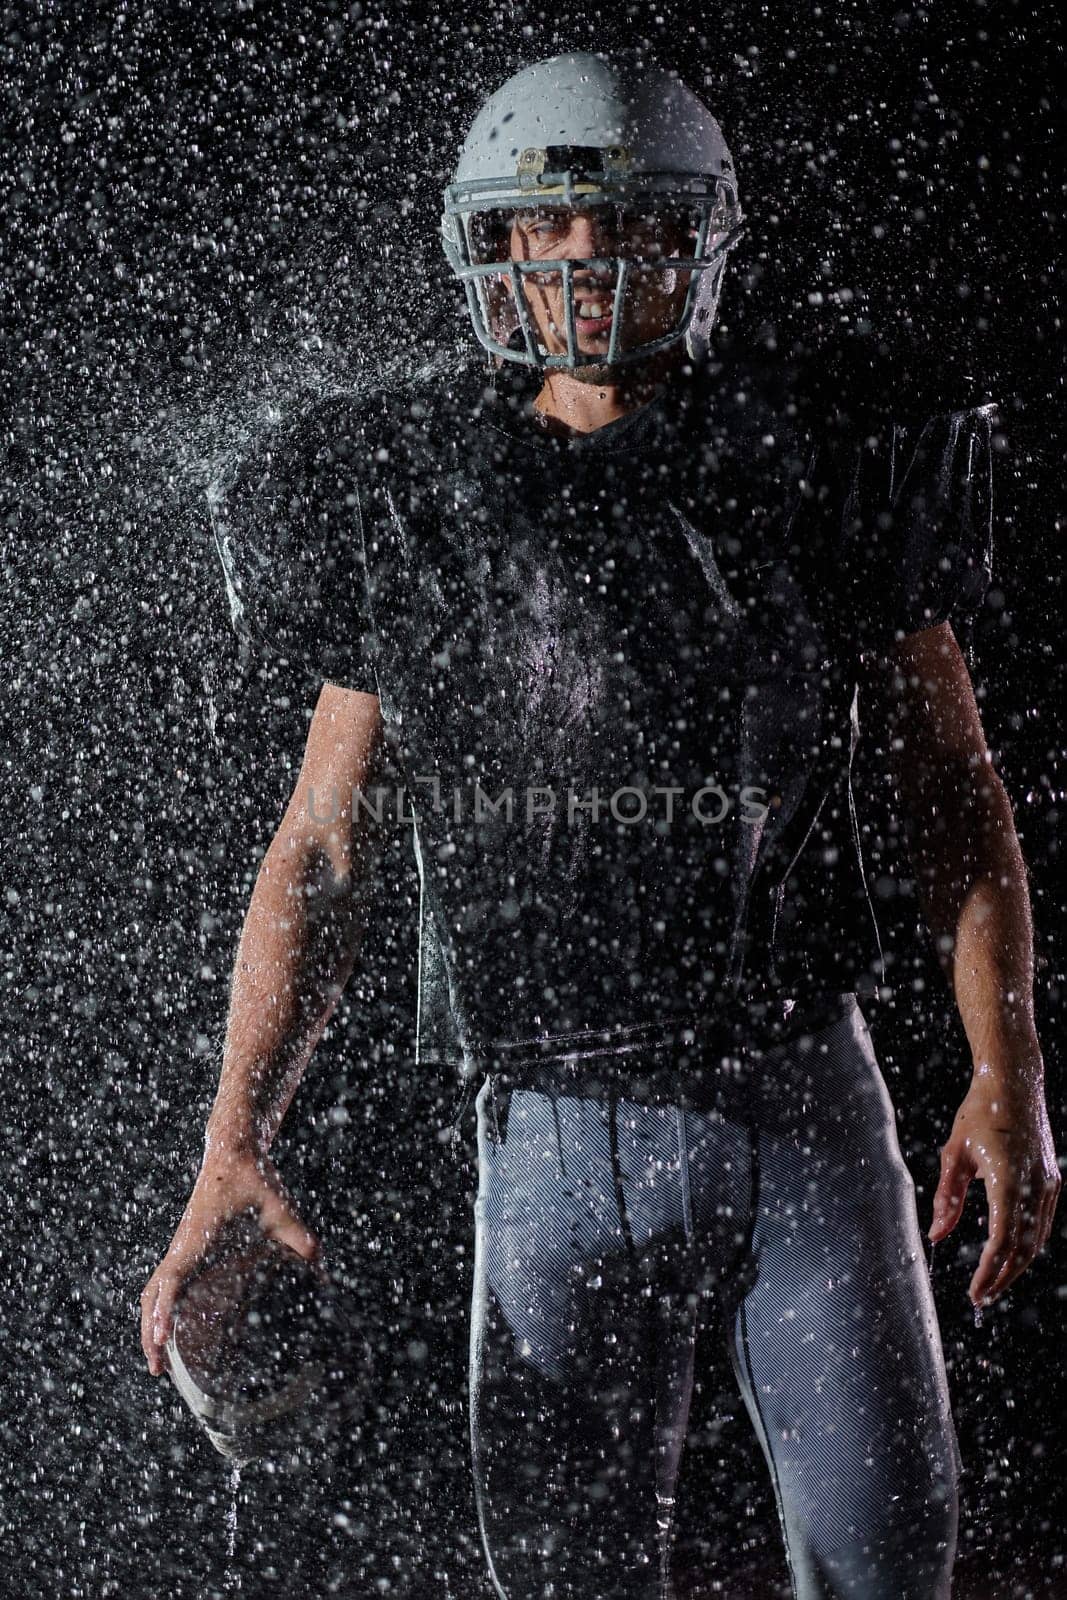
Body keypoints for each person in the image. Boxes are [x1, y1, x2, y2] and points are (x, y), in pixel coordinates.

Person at [141, 50, 1060, 1600]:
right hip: (545, 1133)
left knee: (890, 1565)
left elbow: (952, 790)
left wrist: (1009, 1070)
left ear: (696, 242)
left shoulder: (814, 450)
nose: (581, 265)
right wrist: (232, 1141)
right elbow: (322, 848)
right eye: (547, 233)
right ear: (486, 245)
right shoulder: (411, 488)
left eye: (626, 228)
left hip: (801, 1105)